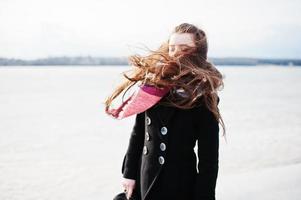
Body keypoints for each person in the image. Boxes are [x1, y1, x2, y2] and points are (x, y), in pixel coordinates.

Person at [105, 23, 225, 200]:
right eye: (172, 48)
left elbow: (209, 159)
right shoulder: (152, 86)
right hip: (145, 176)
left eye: (184, 48)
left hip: (180, 184)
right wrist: (129, 174)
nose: (176, 53)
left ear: (198, 53)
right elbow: (138, 133)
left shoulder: (204, 97)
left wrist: (204, 196)